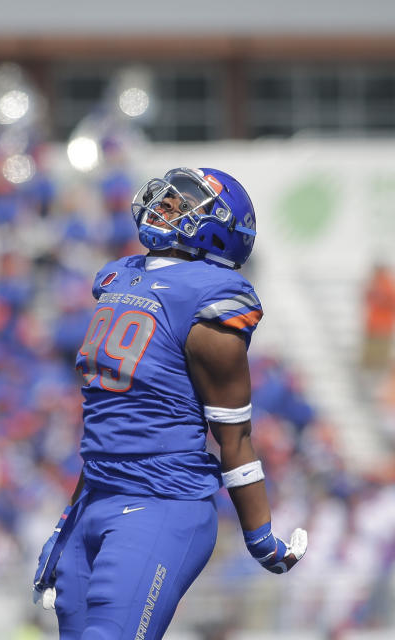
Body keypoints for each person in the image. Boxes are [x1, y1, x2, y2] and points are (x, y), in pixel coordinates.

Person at [32, 167, 308, 639]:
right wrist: (66, 519)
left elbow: (234, 435)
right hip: (97, 495)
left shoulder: (212, 298)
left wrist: (259, 536)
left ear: (220, 229)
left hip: (161, 502)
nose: (167, 205)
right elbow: (109, 427)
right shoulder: (122, 276)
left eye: (184, 204)